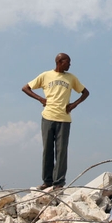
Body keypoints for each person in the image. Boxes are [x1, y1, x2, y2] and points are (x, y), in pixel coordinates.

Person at [22, 53, 89, 190]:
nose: (70, 64)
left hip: (64, 118)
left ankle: (58, 182)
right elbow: (26, 88)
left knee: (61, 151)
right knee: (48, 150)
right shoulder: (45, 75)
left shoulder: (71, 78)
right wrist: (40, 99)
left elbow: (85, 92)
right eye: (67, 62)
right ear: (59, 61)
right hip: (48, 117)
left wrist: (74, 104)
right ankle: (47, 181)